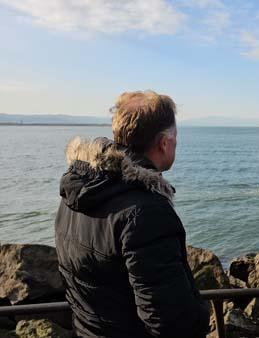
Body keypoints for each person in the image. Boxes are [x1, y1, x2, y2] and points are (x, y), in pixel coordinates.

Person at [54, 90, 210, 338]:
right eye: (176, 137)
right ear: (164, 143)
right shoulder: (146, 213)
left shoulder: (74, 194)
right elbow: (169, 319)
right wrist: (202, 314)